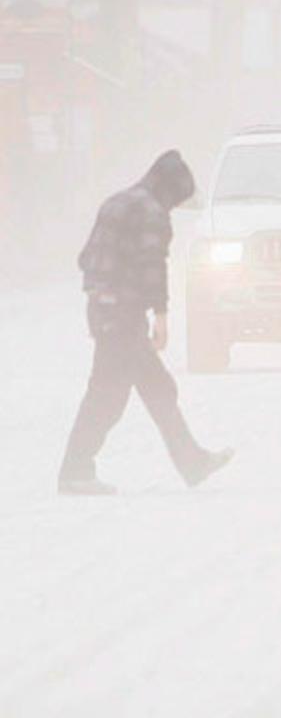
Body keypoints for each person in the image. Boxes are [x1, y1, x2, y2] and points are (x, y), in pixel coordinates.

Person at [58, 150, 234, 495]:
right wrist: (161, 315)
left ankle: (191, 461)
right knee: (120, 394)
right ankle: (76, 470)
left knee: (139, 390)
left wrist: (103, 290)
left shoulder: (114, 203)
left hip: (102, 311)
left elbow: (85, 258)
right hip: (125, 316)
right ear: (170, 189)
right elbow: (152, 265)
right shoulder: (153, 213)